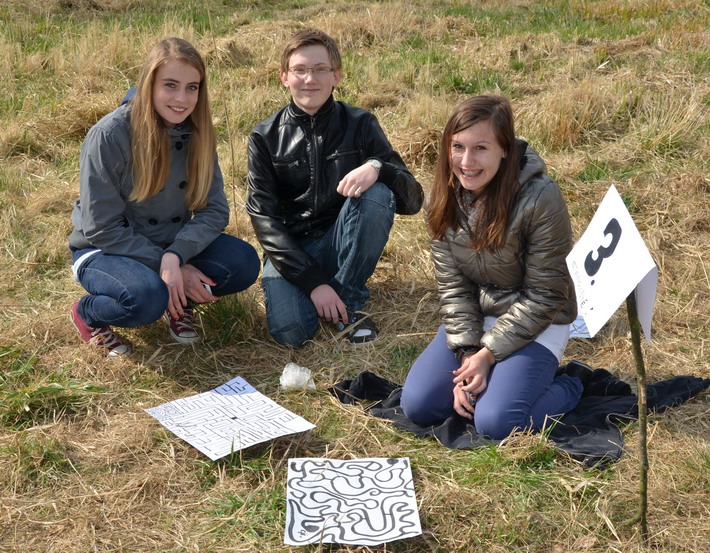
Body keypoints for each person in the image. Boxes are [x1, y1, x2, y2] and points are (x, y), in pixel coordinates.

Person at [400, 95, 585, 440]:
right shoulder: (442, 195)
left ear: (505, 150)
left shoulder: (541, 197)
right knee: (419, 406)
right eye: (458, 147)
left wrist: (488, 355)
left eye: (481, 148)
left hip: (538, 321)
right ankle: (498, 379)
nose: (466, 161)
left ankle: (571, 385)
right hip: (479, 317)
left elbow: (546, 295)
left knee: (496, 422)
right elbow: (453, 288)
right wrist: (468, 353)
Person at [68, 37, 260, 356]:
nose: (181, 98)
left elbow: (214, 211)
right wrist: (166, 265)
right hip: (105, 249)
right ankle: (88, 313)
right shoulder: (109, 135)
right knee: (146, 298)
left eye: (191, 87)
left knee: (242, 263)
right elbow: (101, 227)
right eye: (170, 85)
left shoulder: (199, 132)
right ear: (149, 84)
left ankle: (178, 303)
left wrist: (176, 256)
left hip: (170, 242)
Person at [246, 29, 423, 347]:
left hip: (341, 242)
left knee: (377, 192)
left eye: (320, 69)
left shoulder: (361, 123)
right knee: (292, 334)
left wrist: (378, 168)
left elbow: (413, 200)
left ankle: (350, 302)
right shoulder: (264, 137)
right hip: (291, 251)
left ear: (336, 75)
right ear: (284, 77)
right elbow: (265, 221)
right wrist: (314, 284)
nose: (309, 79)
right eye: (300, 70)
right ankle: (323, 289)